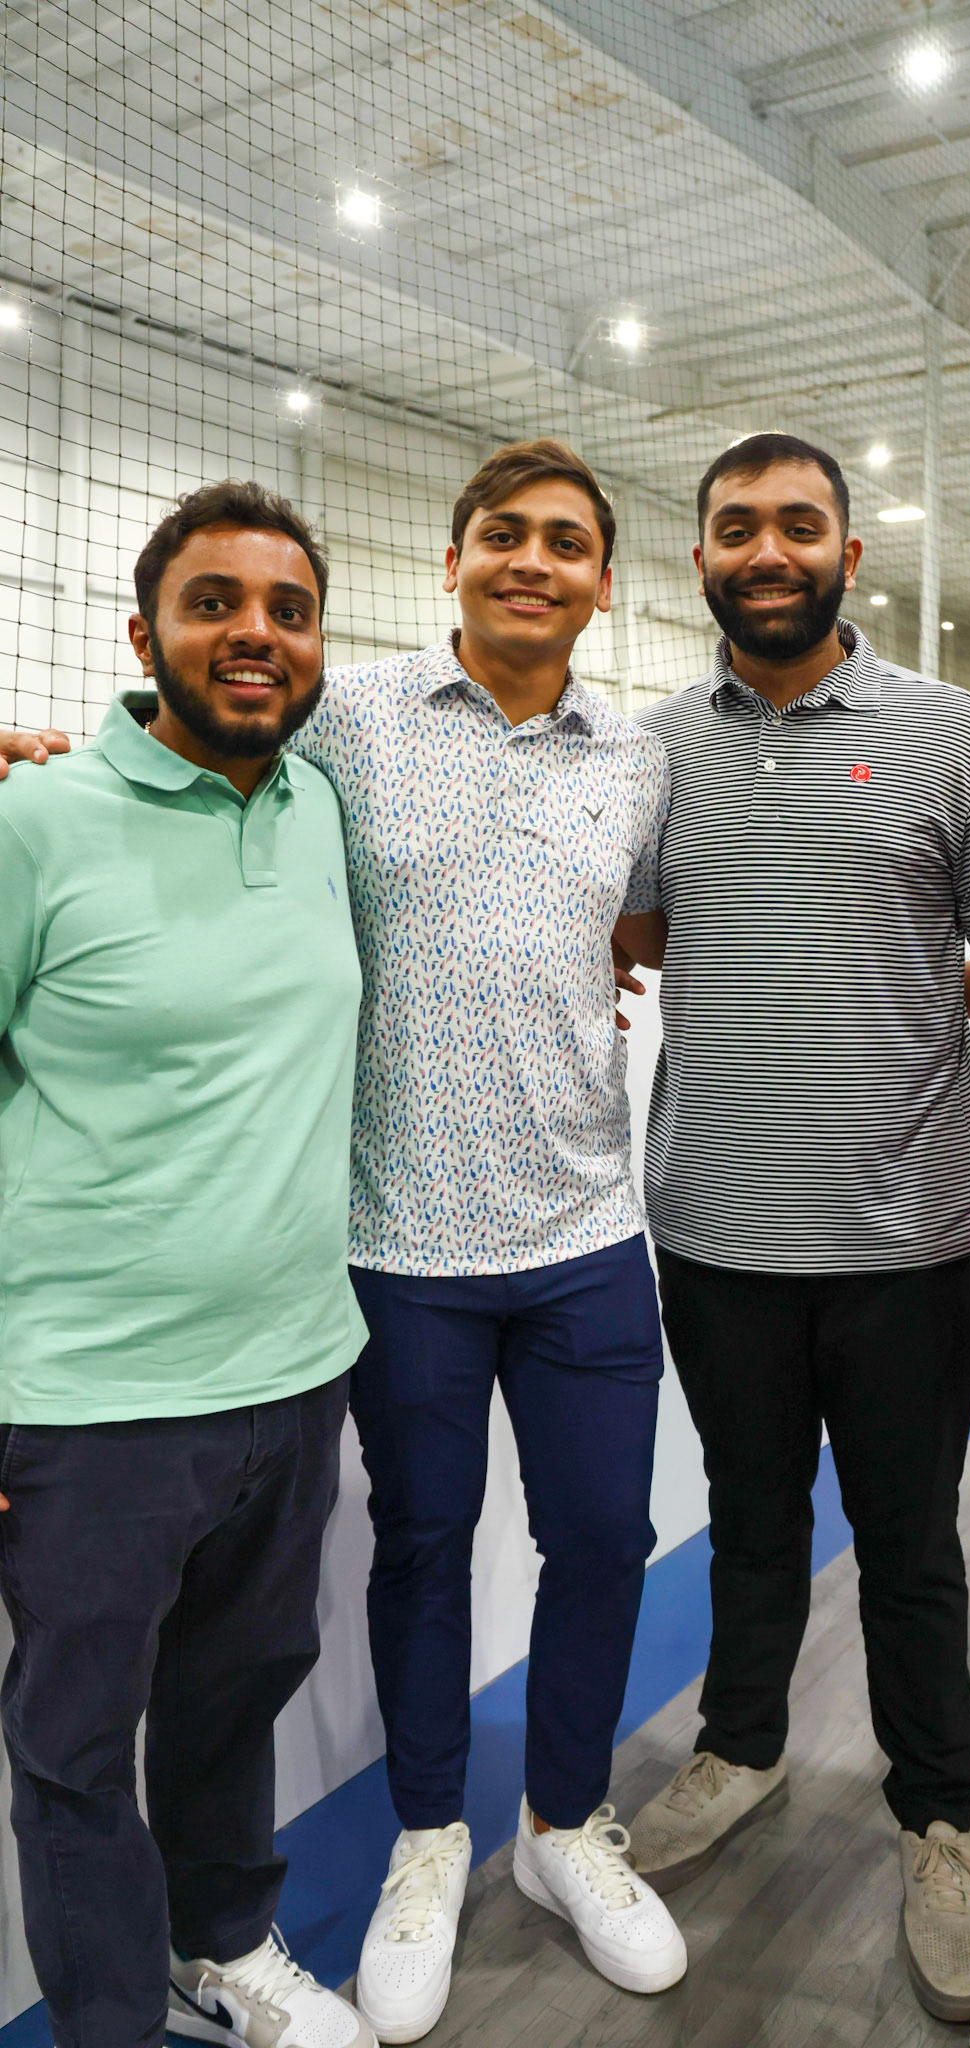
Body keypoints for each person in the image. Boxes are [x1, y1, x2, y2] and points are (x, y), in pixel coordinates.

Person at [0, 441, 687, 2037]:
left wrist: (573, 974)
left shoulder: (632, 761)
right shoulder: (340, 730)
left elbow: (626, 924)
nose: (531, 560)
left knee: (598, 1543)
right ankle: (427, 1841)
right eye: (501, 533)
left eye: (564, 542)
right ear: (450, 561)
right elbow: (166, 764)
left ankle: (559, 1830)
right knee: (416, 1556)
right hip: (392, 1246)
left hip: (561, 1233)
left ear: (603, 582)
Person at [613, 432, 970, 2024]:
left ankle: (938, 1820)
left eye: (798, 524)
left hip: (906, 1239)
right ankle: (742, 1747)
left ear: (849, 554)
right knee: (749, 1516)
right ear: (701, 559)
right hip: (716, 1228)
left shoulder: (951, 734)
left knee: (910, 1546)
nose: (767, 549)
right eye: (738, 527)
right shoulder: (654, 747)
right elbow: (638, 929)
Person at [0, 483, 373, 2048]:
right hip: (91, 1404)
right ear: (142, 633)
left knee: (235, 1697)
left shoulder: (319, 808)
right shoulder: (36, 821)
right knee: (78, 1753)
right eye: (214, 603)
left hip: (293, 1373)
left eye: (288, 611)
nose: (254, 635)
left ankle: (220, 1944)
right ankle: (107, 2022)